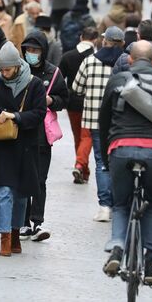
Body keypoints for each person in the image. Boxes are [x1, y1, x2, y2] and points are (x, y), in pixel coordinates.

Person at [99, 40, 152, 285]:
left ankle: (116, 248)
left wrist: (106, 157)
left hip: (121, 148)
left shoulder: (117, 81)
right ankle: (151, 263)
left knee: (122, 205)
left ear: (130, 60)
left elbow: (103, 122)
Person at [0, 43, 47, 256]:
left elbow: (39, 113)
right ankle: (4, 237)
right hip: (3, 147)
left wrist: (16, 116)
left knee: (21, 195)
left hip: (26, 147)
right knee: (5, 192)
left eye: (7, 69)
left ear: (17, 66)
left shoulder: (34, 84)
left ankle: (16, 232)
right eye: (1, 69)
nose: (4, 73)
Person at [73, 26, 128, 222]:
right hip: (122, 121)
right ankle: (120, 204)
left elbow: (77, 88)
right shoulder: (128, 62)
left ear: (104, 41)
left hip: (95, 120)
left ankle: (105, 206)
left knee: (101, 162)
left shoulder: (89, 61)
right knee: (120, 162)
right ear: (122, 43)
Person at [19, 30, 69, 241]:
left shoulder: (53, 73)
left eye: (35, 50)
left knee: (40, 179)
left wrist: (52, 101)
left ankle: (37, 222)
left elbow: (64, 98)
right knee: (22, 178)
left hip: (41, 135)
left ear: (43, 51)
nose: (31, 53)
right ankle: (22, 223)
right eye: (28, 49)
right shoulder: (18, 70)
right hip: (20, 132)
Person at [60, 25, 99, 185]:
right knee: (87, 136)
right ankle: (80, 165)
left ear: (80, 37)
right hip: (91, 101)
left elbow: (59, 78)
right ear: (95, 40)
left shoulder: (68, 56)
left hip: (73, 102)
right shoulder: (96, 57)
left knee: (79, 137)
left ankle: (83, 170)